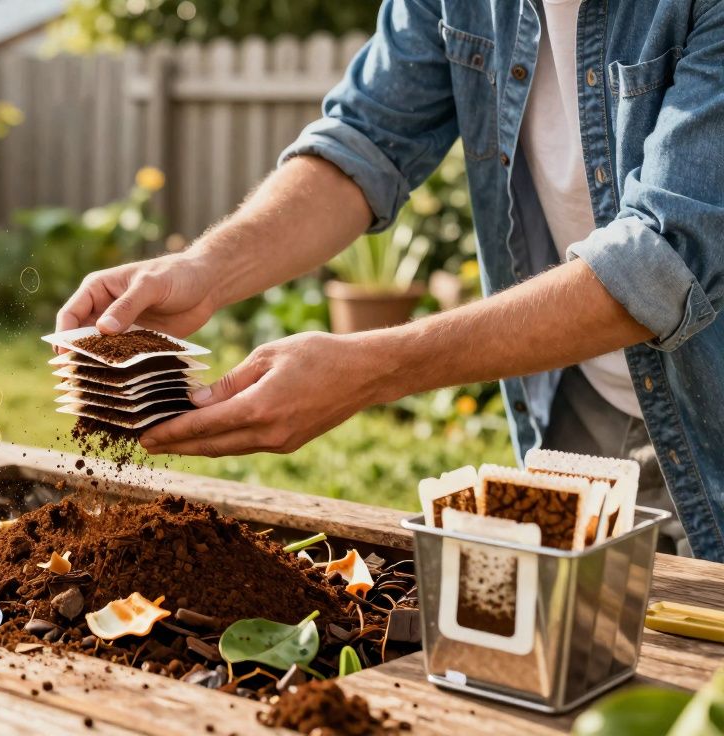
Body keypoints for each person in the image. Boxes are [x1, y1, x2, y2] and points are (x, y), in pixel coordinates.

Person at [55, 0, 724, 560]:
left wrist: (373, 368)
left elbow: (664, 259)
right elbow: (367, 140)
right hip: (582, 410)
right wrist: (203, 270)